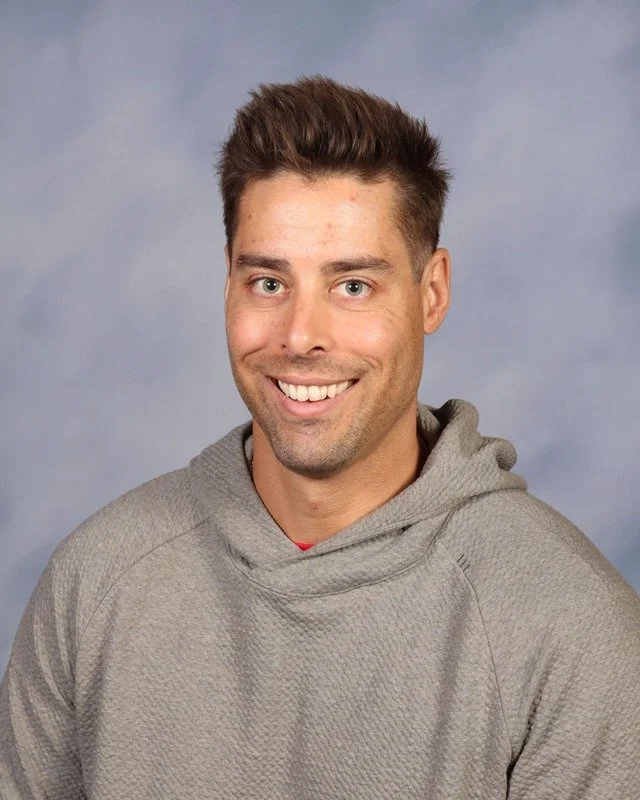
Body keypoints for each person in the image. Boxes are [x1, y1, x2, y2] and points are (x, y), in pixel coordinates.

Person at [1, 76, 639, 800]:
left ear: (432, 292)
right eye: (269, 283)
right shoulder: (96, 582)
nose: (301, 336)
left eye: (353, 286)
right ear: (228, 283)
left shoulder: (570, 627)